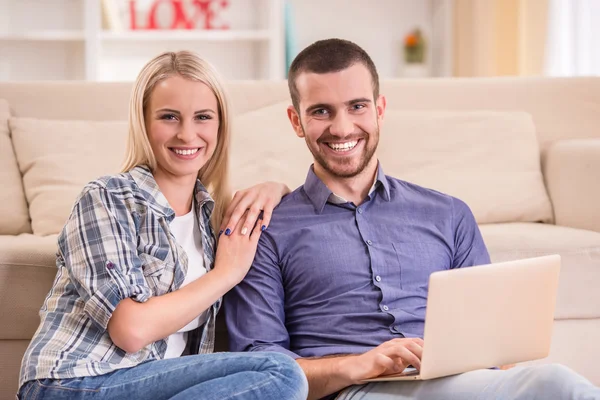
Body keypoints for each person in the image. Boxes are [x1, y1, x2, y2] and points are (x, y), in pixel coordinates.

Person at [224, 39, 600, 400]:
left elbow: (493, 345)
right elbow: (261, 365)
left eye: (357, 106)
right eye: (321, 111)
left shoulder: (448, 214)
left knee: (553, 383)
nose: (341, 128)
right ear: (296, 121)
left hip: (461, 386)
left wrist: (497, 365)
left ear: (380, 109)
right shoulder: (266, 227)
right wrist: (358, 365)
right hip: (356, 391)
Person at [17, 51, 308, 400]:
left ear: (220, 126)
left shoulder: (213, 218)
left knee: (273, 373)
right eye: (169, 117)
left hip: (154, 385)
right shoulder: (107, 197)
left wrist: (277, 189)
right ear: (144, 122)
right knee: (280, 373)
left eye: (203, 117)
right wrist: (225, 274)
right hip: (75, 382)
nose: (187, 134)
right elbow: (131, 329)